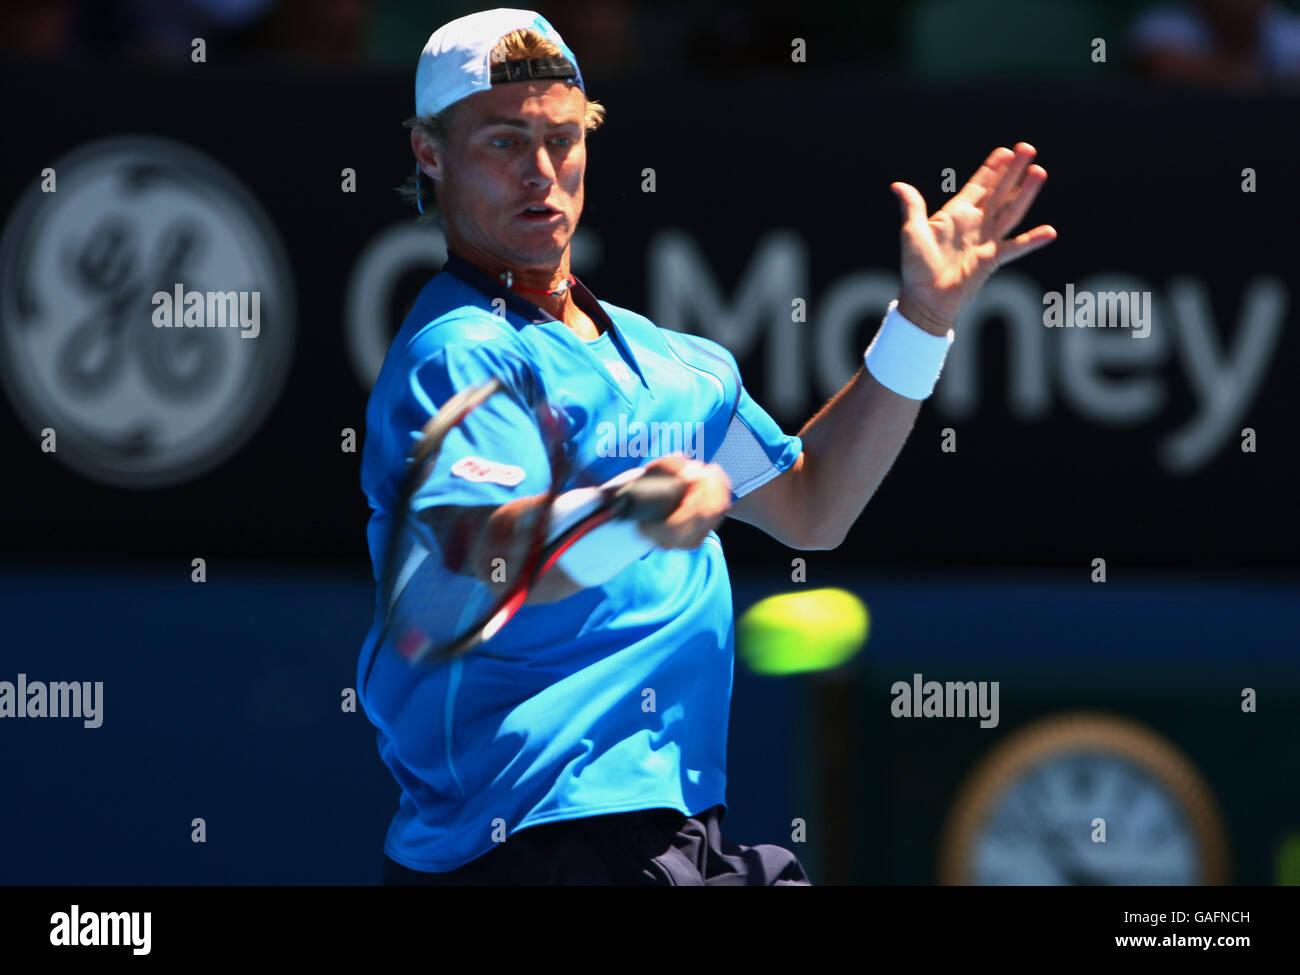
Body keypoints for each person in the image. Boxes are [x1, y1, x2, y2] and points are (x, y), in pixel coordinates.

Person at [357, 7, 1055, 886]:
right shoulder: (460, 350)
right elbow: (479, 556)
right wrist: (631, 511)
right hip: (528, 842)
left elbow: (814, 506)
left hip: (671, 835)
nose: (542, 172)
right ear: (429, 152)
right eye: (503, 143)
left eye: (562, 140)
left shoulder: (673, 363)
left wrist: (922, 321)